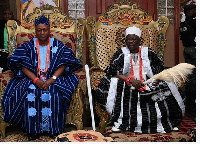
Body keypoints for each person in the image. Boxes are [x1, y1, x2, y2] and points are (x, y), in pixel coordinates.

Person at [1, 15, 82, 140]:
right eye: (39, 30)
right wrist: (35, 80)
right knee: (30, 92)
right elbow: (21, 64)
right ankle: (33, 130)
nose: (42, 32)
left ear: (49, 30)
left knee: (55, 93)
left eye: (45, 30)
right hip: (33, 78)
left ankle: (54, 130)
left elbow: (65, 62)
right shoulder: (28, 46)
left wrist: (51, 79)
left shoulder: (57, 45)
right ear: (35, 30)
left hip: (53, 78)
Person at [96, 26, 185, 133]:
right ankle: (121, 123)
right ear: (125, 41)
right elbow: (112, 71)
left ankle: (166, 123)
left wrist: (156, 79)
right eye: (128, 39)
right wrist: (130, 80)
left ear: (140, 40)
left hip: (148, 81)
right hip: (126, 82)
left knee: (167, 85)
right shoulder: (121, 53)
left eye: (134, 39)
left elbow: (159, 68)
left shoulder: (148, 52)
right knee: (117, 84)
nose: (131, 42)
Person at [179, 2, 196, 120]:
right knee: (191, 78)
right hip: (191, 50)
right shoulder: (187, 22)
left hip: (191, 49)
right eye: (188, 10)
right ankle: (191, 110)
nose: (190, 12)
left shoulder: (187, 22)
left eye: (192, 10)